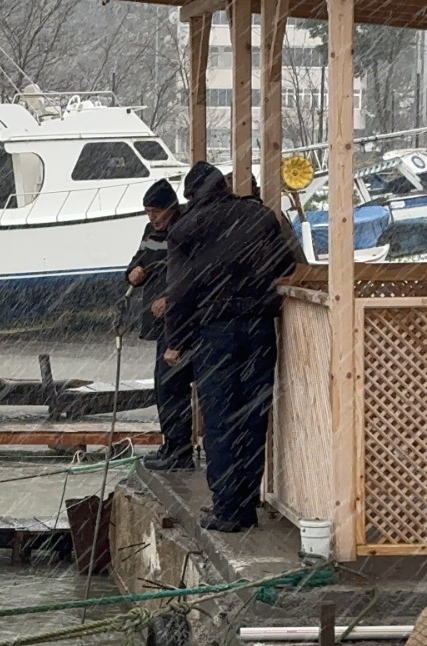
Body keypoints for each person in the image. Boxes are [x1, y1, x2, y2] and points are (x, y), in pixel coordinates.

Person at [163, 161, 301, 532]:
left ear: (192, 195)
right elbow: (288, 261)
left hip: (215, 333)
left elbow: (178, 292)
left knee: (221, 420)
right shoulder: (259, 216)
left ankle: (227, 509)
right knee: (254, 418)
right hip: (260, 328)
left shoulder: (185, 230)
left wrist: (175, 341)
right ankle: (246, 503)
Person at [125, 178, 193, 472]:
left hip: (180, 320)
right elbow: (138, 259)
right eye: (148, 212)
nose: (152, 218)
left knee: (172, 386)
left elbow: (191, 274)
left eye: (156, 211)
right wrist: (133, 273)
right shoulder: (150, 231)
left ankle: (180, 451)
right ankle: (170, 445)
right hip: (158, 322)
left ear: (171, 208)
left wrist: (170, 299)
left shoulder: (185, 229)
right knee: (162, 387)